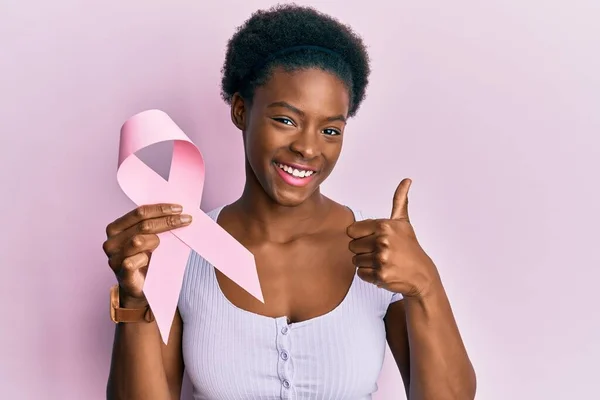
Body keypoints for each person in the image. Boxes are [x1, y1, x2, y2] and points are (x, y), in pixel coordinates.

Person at [103, 4, 476, 400]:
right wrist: (134, 302)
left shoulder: (380, 254)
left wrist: (425, 284)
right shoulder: (183, 252)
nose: (308, 148)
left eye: (330, 129)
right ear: (241, 110)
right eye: (286, 120)